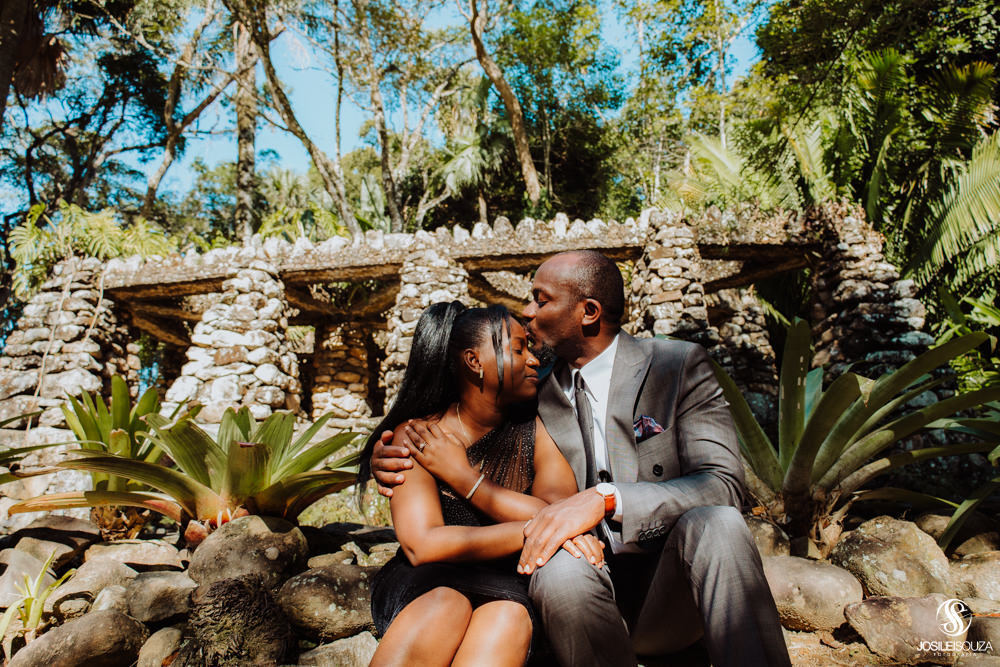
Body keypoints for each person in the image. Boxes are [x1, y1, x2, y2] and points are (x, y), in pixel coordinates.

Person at [372, 250, 792, 667]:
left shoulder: (676, 367)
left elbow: (722, 484)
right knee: (559, 566)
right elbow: (462, 407)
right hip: (577, 587)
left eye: (541, 299)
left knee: (718, 522)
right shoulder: (533, 390)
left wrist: (606, 499)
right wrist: (386, 452)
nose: (527, 311)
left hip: (668, 585)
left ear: (588, 312)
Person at [356, 301, 605, 667]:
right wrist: (541, 530)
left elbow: (558, 511)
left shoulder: (537, 430)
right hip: (427, 581)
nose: (533, 360)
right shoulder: (420, 434)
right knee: (445, 605)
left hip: (510, 584)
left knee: (506, 617)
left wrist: (465, 478)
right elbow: (423, 545)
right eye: (517, 350)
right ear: (474, 362)